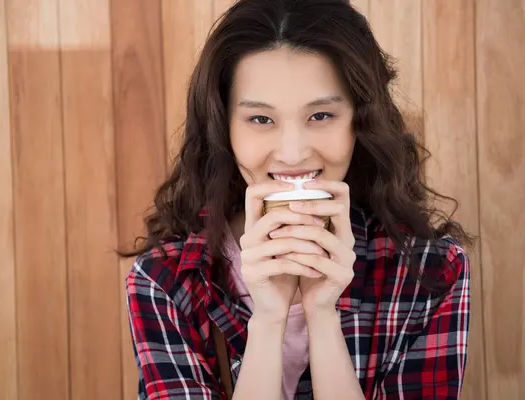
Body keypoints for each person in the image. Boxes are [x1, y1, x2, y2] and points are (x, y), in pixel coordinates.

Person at [120, 0, 474, 398]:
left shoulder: (431, 273)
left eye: (321, 116)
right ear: (224, 130)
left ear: (361, 121)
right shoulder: (166, 282)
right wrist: (269, 319)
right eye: (261, 119)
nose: (292, 153)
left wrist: (323, 315)